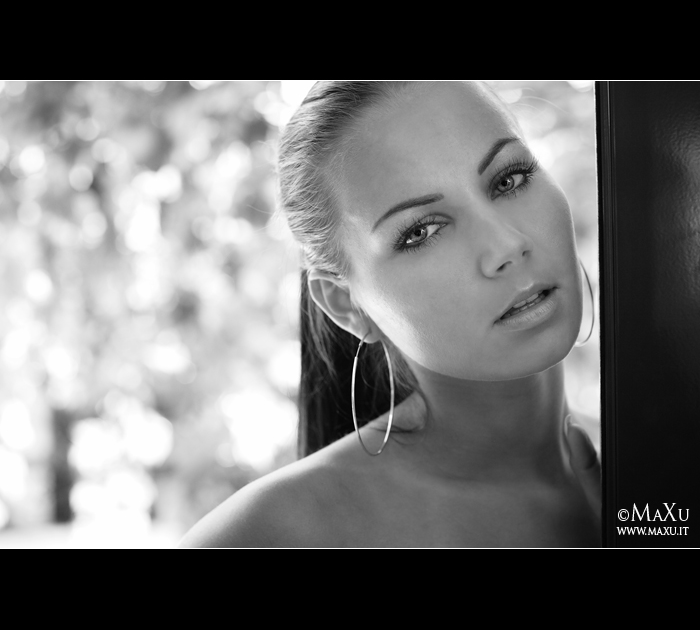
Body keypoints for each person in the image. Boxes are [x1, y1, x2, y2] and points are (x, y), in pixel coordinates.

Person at [179, 80, 601, 548]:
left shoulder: (657, 468)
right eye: (421, 231)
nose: (506, 246)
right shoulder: (267, 536)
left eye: (509, 179)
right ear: (346, 305)